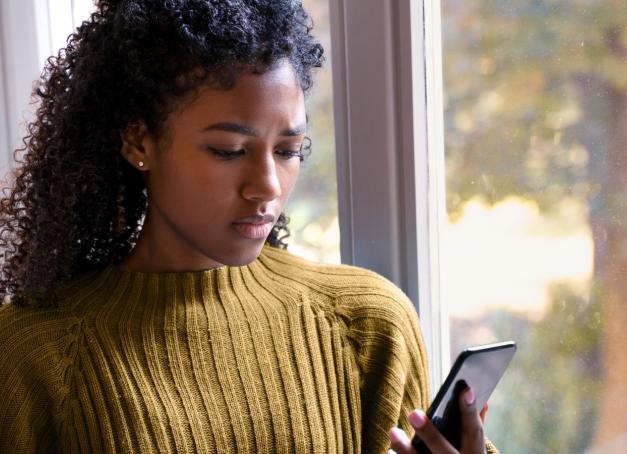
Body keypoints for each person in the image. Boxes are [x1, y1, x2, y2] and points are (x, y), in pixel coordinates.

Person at [0, 1, 498, 452]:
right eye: (229, 151)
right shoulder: (36, 354)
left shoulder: (366, 325)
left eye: (288, 151)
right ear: (138, 141)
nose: (267, 186)